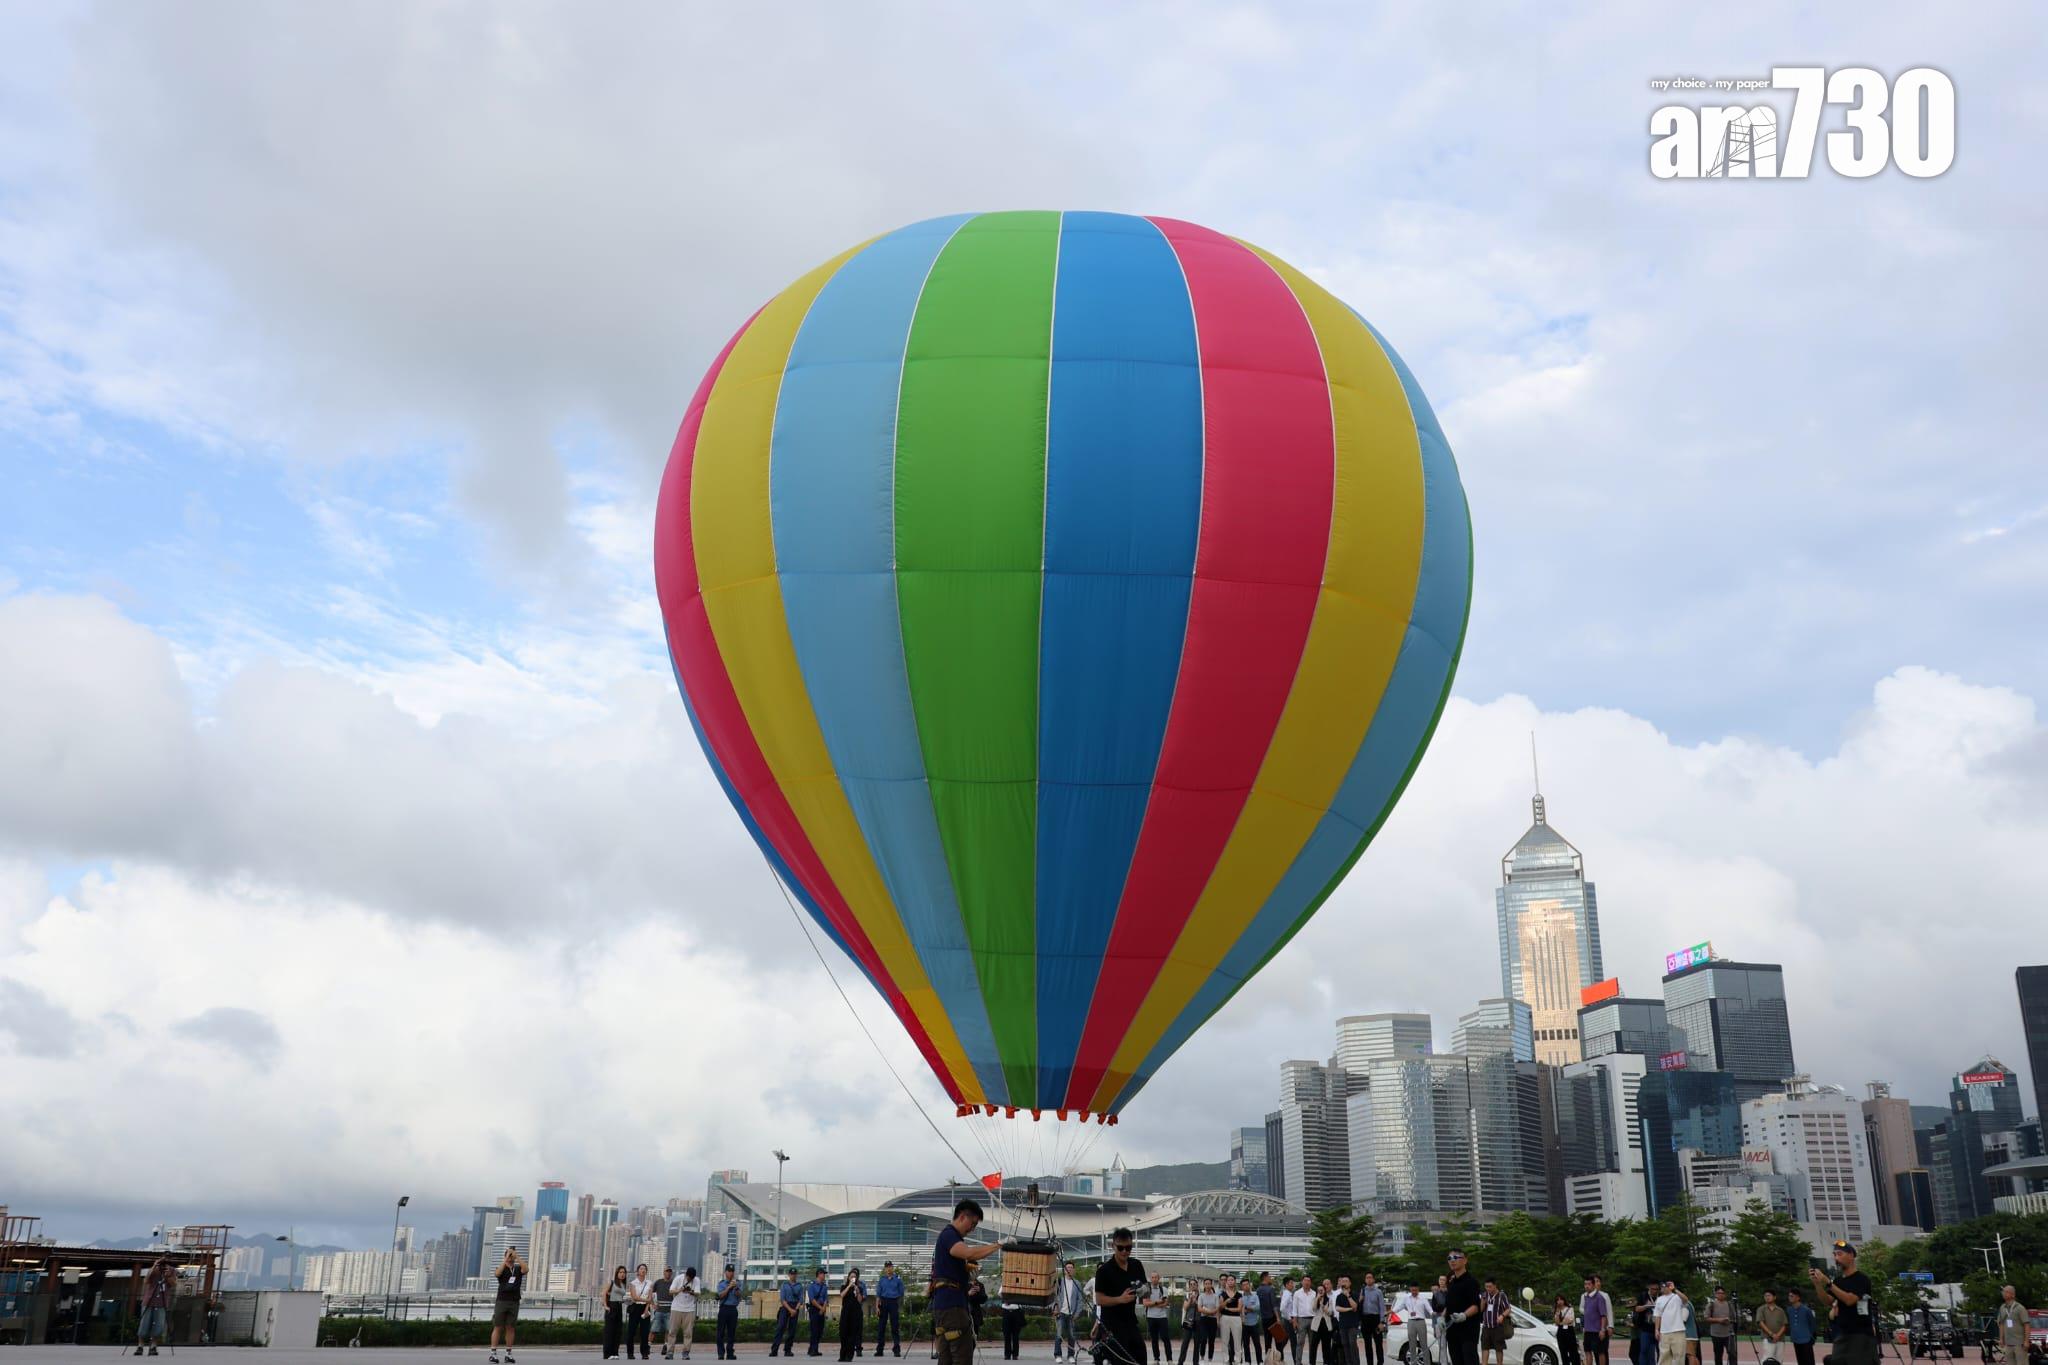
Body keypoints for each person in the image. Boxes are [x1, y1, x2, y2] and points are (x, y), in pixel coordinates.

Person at [931, 1199, 1000, 1365]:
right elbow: (968, 1253)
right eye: (973, 1223)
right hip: (953, 1306)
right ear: (963, 1217)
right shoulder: (949, 1235)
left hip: (942, 1305)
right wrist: (998, 1245)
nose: (972, 1229)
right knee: (962, 1355)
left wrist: (966, 1271)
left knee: (945, 1358)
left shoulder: (948, 1236)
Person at [1808, 1243, 1874, 1365]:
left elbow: (1850, 1300)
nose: (1836, 1257)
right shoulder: (1838, 1281)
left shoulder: (1861, 1279)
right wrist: (1817, 1284)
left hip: (1860, 1334)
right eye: (1834, 1254)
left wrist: (1828, 1282)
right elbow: (1827, 1301)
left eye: (1839, 1254)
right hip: (1843, 1333)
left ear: (1851, 1255)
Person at [1094, 1228, 1150, 1365]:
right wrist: (1120, 1299)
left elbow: (1146, 1288)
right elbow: (1099, 1299)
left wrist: (1143, 1290)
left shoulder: (1136, 1265)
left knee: (1141, 1356)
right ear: (1113, 1246)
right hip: (1112, 1326)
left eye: (1128, 1248)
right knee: (1121, 1361)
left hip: (1130, 1322)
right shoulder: (1104, 1271)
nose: (1125, 1251)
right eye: (1120, 1248)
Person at [1442, 1254, 1482, 1365]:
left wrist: (1464, 1315)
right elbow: (1448, 1305)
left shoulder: (1472, 1282)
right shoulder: (1451, 1283)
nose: (1452, 1260)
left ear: (1465, 1260)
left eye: (1455, 1257)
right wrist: (1441, 1319)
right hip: (1452, 1331)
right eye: (1449, 1258)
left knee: (1469, 1360)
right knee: (1456, 1361)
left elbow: (1476, 1306)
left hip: (1468, 1332)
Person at [491, 1246, 527, 1364]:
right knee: (498, 1327)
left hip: (514, 1301)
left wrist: (517, 1257)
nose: (511, 1257)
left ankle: (508, 1353)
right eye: (509, 1255)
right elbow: (497, 1274)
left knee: (510, 1328)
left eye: (511, 1255)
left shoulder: (517, 1268)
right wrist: (506, 1259)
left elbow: (526, 1270)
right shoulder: (501, 1267)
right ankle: (493, 1353)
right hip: (502, 1300)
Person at [135, 1258, 174, 1357]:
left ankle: (153, 1346)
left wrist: (167, 1275)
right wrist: (154, 1266)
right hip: (149, 1301)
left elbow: (173, 1284)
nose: (163, 1266)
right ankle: (140, 1346)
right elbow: (146, 1280)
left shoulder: (171, 1271)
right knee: (144, 1323)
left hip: (162, 1302)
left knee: (158, 1325)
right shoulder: (153, 1270)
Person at [1054, 1263, 1087, 1363]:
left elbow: (1080, 1300)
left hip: (1072, 1314)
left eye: (1071, 1268)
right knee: (1058, 1335)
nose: (1069, 1269)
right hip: (1061, 1312)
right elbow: (1054, 1296)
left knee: (1072, 1336)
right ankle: (1058, 1355)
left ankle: (1070, 1355)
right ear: (1064, 1270)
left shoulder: (1077, 1283)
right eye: (1067, 1267)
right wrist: (1055, 1309)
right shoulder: (1060, 1281)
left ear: (1074, 1270)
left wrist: (1077, 1314)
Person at [1396, 1284, 1435, 1365]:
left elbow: (1429, 1309)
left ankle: (1427, 1363)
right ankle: (1413, 1363)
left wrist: (1434, 1314)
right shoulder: (1406, 1298)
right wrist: (1391, 1312)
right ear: (1410, 1289)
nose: (1414, 1292)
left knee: (1424, 1344)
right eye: (1412, 1290)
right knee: (1412, 1345)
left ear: (1418, 1289)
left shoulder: (1423, 1298)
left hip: (1421, 1322)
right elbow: (1399, 1307)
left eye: (1416, 1290)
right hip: (1411, 1322)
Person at [670, 1267, 702, 1361]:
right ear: (686, 1275)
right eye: (689, 1277)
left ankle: (686, 1352)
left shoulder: (696, 1280)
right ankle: (670, 1352)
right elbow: (671, 1291)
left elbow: (698, 1293)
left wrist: (690, 1291)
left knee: (688, 1332)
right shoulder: (678, 1278)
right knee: (672, 1331)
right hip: (676, 1308)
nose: (690, 1279)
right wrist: (680, 1290)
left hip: (689, 1309)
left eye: (692, 1278)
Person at [1653, 1282, 1689, 1365]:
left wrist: (1675, 1289)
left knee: (1679, 1355)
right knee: (1664, 1356)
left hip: (1678, 1330)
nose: (1662, 1288)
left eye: (1664, 1286)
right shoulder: (1659, 1299)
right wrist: (1656, 1330)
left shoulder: (1677, 1297)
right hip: (1664, 1331)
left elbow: (1686, 1300)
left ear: (1669, 1287)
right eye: (1661, 1287)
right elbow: (1657, 1316)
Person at [772, 1269, 804, 1358]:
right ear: (789, 1275)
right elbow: (782, 1299)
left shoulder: (799, 1286)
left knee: (792, 1330)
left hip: (795, 1307)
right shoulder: (784, 1285)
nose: (793, 1275)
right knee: (780, 1328)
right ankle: (774, 1350)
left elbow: (801, 1300)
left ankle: (788, 1350)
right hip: (786, 1307)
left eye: (794, 1274)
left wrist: (795, 1309)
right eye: (791, 1274)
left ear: (796, 1275)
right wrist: (791, 1310)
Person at [877, 1262, 906, 1358]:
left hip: (893, 1302)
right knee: (881, 1327)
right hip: (883, 1303)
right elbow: (878, 1295)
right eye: (887, 1267)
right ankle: (880, 1350)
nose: (889, 1269)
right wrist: (877, 1307)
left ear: (893, 1268)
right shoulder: (882, 1280)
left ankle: (896, 1349)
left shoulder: (898, 1280)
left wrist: (899, 1304)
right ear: (885, 1269)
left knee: (895, 1327)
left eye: (890, 1267)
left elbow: (901, 1292)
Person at [1478, 1280, 1511, 1365]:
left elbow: (1508, 1309)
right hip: (1486, 1326)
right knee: (1485, 1347)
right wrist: (1482, 1301)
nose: (1488, 1288)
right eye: (1486, 1286)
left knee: (1499, 1348)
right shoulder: (1484, 1295)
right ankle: (1484, 1363)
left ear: (1495, 1286)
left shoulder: (1501, 1295)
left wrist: (1502, 1316)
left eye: (1490, 1286)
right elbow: (1481, 1310)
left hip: (1497, 1327)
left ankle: (1499, 1363)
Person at [1581, 1277, 1613, 1365]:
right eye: (1585, 1284)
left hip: (1597, 1331)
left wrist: (1603, 1329)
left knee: (1601, 1352)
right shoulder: (1585, 1297)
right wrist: (1585, 1328)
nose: (1587, 1286)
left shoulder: (1600, 1297)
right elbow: (1586, 1314)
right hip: (1588, 1331)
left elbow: (1603, 1315)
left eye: (1589, 1284)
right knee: (1587, 1351)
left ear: (1593, 1285)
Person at [715, 1266, 744, 1361]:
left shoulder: (738, 1283)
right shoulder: (721, 1284)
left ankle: (730, 1353)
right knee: (720, 1333)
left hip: (733, 1309)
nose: (731, 1273)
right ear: (725, 1272)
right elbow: (720, 1295)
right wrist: (728, 1287)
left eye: (732, 1271)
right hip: (724, 1309)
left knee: (731, 1333)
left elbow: (740, 1296)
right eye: (729, 1271)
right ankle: (720, 1353)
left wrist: (735, 1288)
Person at [840, 1269, 868, 1363]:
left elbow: (860, 1300)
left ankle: (849, 1355)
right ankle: (842, 1355)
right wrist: (849, 1286)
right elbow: (842, 1295)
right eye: (851, 1276)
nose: (853, 1278)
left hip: (855, 1313)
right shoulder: (844, 1286)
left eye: (854, 1277)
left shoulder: (859, 1287)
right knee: (843, 1334)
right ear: (848, 1278)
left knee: (852, 1335)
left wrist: (857, 1290)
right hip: (845, 1313)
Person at [1993, 1287, 2027, 1364]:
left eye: (2006, 1292)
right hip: (2008, 1343)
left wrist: (2026, 1341)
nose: (2004, 1293)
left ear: (2013, 1295)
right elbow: (2001, 1323)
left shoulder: (2020, 1308)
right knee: (2010, 1362)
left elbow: (2026, 1324)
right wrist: (2001, 1339)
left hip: (2019, 1343)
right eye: (2003, 1292)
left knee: (2021, 1362)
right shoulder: (2002, 1308)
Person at [606, 1267, 633, 1361]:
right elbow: (604, 1294)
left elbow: (623, 1297)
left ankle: (615, 1353)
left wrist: (628, 1300)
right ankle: (609, 1353)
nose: (622, 1274)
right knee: (610, 1331)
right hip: (611, 1307)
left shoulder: (623, 1285)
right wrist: (606, 1306)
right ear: (617, 1273)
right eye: (620, 1272)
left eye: (624, 1272)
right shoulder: (612, 1282)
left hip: (619, 1307)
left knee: (618, 1331)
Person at [1147, 1273, 1175, 1362]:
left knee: (1165, 1338)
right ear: (1150, 1279)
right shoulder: (1147, 1290)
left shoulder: (1164, 1289)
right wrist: (1158, 1302)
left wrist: (1153, 1303)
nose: (1154, 1279)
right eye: (1152, 1277)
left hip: (1162, 1317)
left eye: (1156, 1277)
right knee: (1154, 1339)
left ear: (1159, 1279)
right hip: (1151, 1317)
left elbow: (1166, 1303)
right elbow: (1145, 1303)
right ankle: (1156, 1359)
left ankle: (1169, 1359)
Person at [631, 1264, 657, 1361]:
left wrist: (647, 1308)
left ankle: (645, 1353)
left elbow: (650, 1297)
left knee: (645, 1332)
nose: (643, 1270)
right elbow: (634, 1297)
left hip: (645, 1308)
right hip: (635, 1308)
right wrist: (647, 1300)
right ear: (637, 1271)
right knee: (632, 1331)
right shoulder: (633, 1283)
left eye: (645, 1269)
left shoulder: (650, 1283)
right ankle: (630, 1353)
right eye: (641, 1269)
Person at [1360, 1277, 1387, 1365]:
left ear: (1373, 1280)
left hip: (1376, 1319)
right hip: (1365, 1319)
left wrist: (1382, 1321)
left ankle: (1380, 1362)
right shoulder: (1362, 1291)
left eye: (1370, 1278)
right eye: (1367, 1278)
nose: (1368, 1279)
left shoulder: (1378, 1292)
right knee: (1367, 1344)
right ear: (1365, 1280)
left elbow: (1382, 1307)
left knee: (1378, 1343)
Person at [1333, 1278, 1361, 1365]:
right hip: (1342, 1325)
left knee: (1352, 1344)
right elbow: (1337, 1308)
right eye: (1343, 1281)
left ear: (1350, 1283)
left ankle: (1356, 1363)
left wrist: (1348, 1295)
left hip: (1352, 1324)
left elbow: (1355, 1306)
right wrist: (1349, 1309)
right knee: (1345, 1345)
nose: (1344, 1283)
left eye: (1346, 1281)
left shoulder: (1355, 1294)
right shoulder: (1339, 1296)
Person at [1785, 1291, 1816, 1365]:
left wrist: (1811, 1336)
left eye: (1792, 1296)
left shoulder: (1807, 1310)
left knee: (1809, 1361)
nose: (1790, 1297)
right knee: (1800, 1360)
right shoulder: (1789, 1310)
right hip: (1795, 1339)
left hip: (1806, 1339)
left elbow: (1813, 1324)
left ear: (1798, 1297)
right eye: (1789, 1296)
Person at [1756, 1291, 1788, 1363]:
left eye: (1769, 1295)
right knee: (1767, 1359)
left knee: (1779, 1359)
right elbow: (1761, 1323)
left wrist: (1777, 1335)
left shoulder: (1780, 1310)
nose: (1767, 1297)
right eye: (1765, 1296)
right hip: (1767, 1338)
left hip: (1780, 1339)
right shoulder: (1761, 1309)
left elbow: (1784, 1325)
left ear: (1774, 1297)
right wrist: (1772, 1334)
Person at [1243, 1274, 1267, 1365]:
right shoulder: (1241, 1297)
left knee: (1257, 1344)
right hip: (1244, 1324)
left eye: (1247, 1284)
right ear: (1242, 1286)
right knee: (1246, 1344)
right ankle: (1247, 1361)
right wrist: (1249, 1309)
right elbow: (1241, 1309)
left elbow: (1258, 1307)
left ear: (1250, 1285)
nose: (1246, 1286)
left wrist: (1248, 1309)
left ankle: (1259, 1361)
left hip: (1254, 1323)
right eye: (1244, 1285)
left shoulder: (1255, 1296)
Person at [1704, 1290, 1734, 1365]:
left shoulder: (1729, 1304)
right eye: (1719, 1293)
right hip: (1716, 1334)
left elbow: (1734, 1317)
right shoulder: (1711, 1305)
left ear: (1725, 1295)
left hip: (1729, 1334)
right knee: (1718, 1355)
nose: (1721, 1295)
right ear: (1715, 1294)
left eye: (1723, 1293)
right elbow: (1706, 1318)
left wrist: (1729, 1320)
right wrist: (1719, 1320)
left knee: (1732, 1354)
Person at [810, 1267, 834, 1357]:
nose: (824, 1275)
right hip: (814, 1309)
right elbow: (812, 1299)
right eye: (823, 1274)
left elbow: (825, 1299)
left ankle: (814, 1349)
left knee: (820, 1330)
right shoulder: (812, 1285)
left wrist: (823, 1308)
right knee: (814, 1330)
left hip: (822, 1309)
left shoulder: (824, 1286)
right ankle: (813, 1350)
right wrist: (820, 1308)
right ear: (819, 1274)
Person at [654, 1267, 676, 1363]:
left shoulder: (673, 1283)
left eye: (670, 1271)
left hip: (669, 1309)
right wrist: (653, 1303)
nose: (668, 1273)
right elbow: (652, 1292)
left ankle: (666, 1345)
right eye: (667, 1271)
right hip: (659, 1309)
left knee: (668, 1330)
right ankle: (648, 1346)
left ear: (671, 1273)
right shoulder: (658, 1282)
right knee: (653, 1329)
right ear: (663, 1272)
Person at [1000, 1287, 1027, 1361]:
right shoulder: (1004, 1284)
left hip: (1016, 1312)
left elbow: (1022, 1295)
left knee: (1016, 1335)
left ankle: (1015, 1355)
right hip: (1006, 1311)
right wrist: (1006, 1298)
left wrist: (1012, 1299)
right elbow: (1000, 1293)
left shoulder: (1019, 1285)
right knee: (1006, 1335)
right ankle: (1007, 1354)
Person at [1555, 1296, 1581, 1365]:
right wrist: (1557, 1313)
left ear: (1564, 1300)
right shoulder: (1557, 1310)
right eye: (1558, 1300)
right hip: (1561, 1332)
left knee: (1573, 1351)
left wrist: (1561, 1322)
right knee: (1563, 1352)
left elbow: (1570, 1320)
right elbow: (1557, 1322)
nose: (1559, 1301)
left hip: (1569, 1331)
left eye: (1561, 1299)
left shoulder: (1570, 1309)